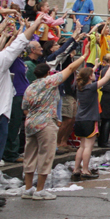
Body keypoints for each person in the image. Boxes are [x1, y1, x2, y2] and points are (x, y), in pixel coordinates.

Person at [21, 53, 87, 201]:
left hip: (31, 122)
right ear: (47, 73)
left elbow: (24, 108)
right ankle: (40, 190)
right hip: (46, 123)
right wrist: (84, 57)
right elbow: (70, 68)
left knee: (29, 155)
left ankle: (27, 188)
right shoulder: (50, 82)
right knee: (46, 155)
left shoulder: (29, 87)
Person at [0, 14, 45, 174]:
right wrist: (33, 26)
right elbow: (17, 45)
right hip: (4, 109)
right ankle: (10, 153)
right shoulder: (5, 61)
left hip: (5, 109)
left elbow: (14, 46)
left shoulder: (7, 60)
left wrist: (8, 33)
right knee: (10, 131)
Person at [72, 55, 110, 180]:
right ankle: (85, 170)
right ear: (89, 77)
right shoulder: (91, 87)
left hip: (80, 119)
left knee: (82, 146)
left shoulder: (79, 87)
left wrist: (96, 66)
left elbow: (87, 73)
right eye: (93, 73)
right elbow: (107, 77)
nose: (95, 75)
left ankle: (76, 169)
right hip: (90, 119)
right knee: (88, 146)